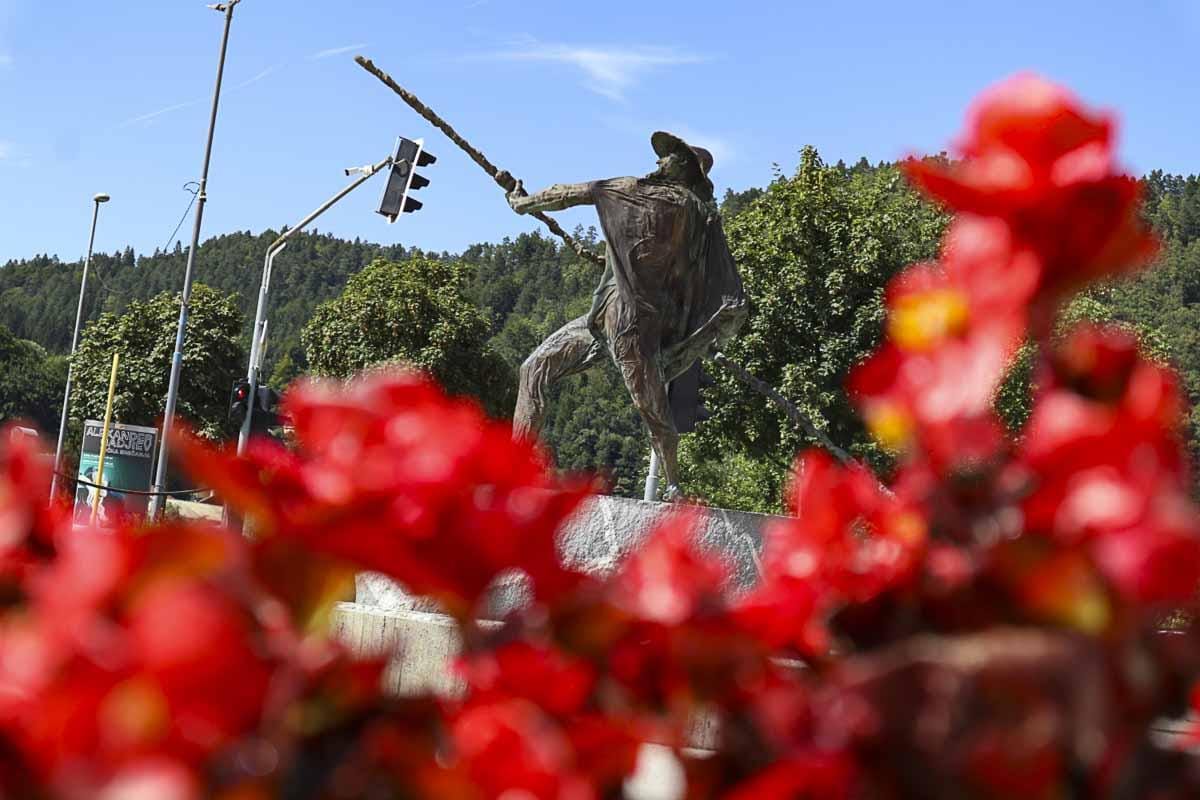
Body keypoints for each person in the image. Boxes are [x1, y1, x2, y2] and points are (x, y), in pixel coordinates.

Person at [507, 131, 747, 500]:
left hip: (628, 325)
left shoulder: (634, 191)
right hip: (607, 319)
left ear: (682, 165)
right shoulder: (699, 216)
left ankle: (672, 484)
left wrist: (522, 202)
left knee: (651, 408)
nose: (658, 161)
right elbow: (653, 261)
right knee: (535, 369)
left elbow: (568, 192)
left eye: (667, 156)